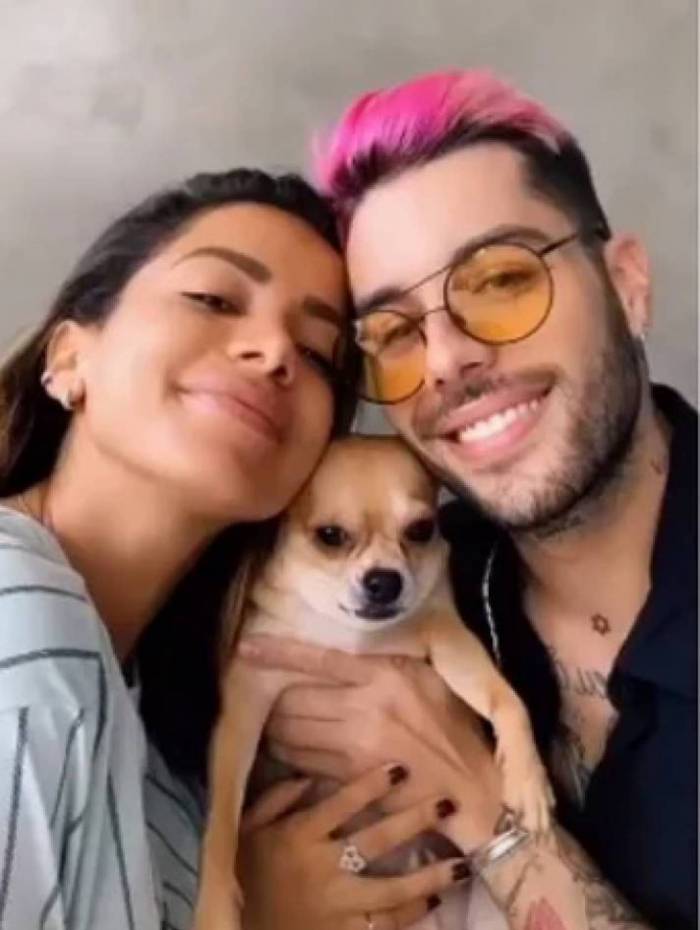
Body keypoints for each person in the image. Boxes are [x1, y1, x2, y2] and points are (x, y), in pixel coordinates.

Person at [241, 70, 697, 929]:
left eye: (500, 280)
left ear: (627, 283)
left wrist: (476, 800)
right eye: (394, 332)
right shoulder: (412, 573)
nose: (446, 360)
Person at [0, 168, 471, 930]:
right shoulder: (21, 617)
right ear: (69, 357)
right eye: (214, 299)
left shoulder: (169, 716)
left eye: (317, 353)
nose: (275, 351)